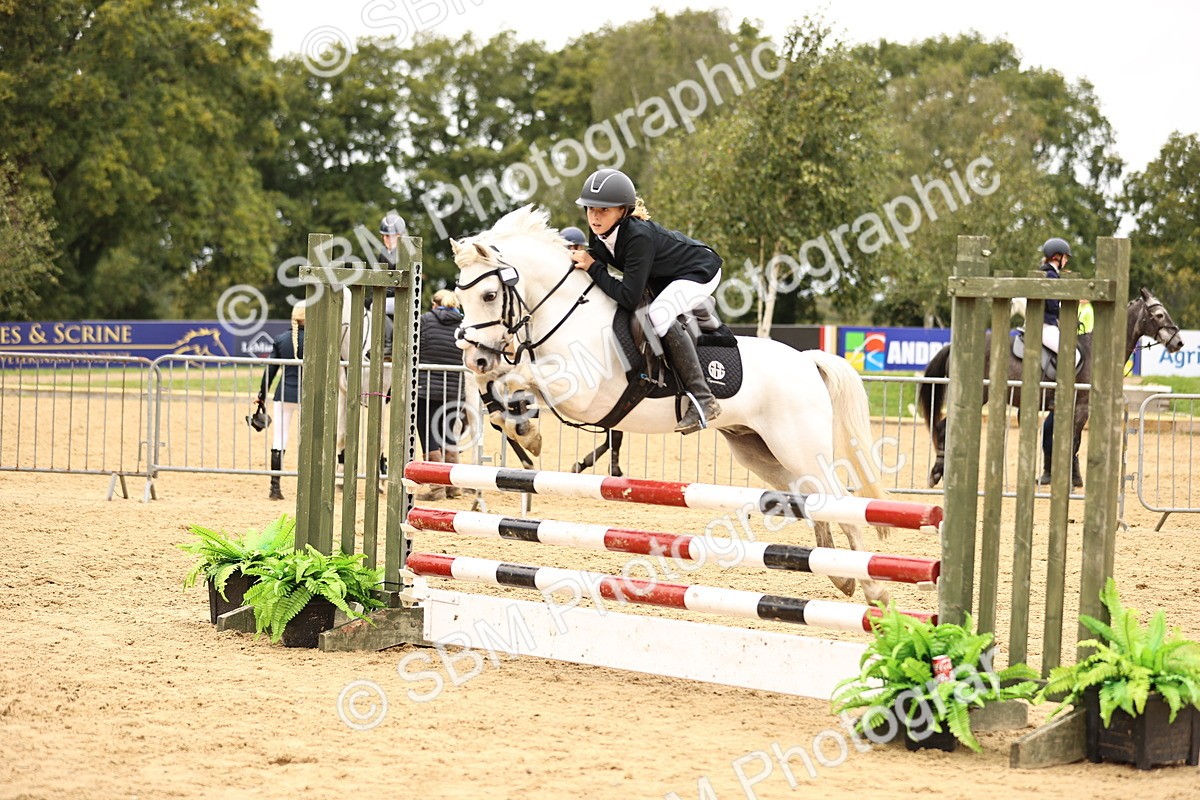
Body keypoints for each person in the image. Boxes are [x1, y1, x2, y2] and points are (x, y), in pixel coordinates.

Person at [568, 168, 722, 434]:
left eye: (604, 210)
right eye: (590, 208)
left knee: (659, 316)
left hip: (699, 270)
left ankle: (704, 399)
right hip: (666, 275)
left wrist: (594, 268)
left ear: (623, 211)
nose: (594, 216)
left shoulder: (637, 236)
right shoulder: (598, 232)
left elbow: (628, 296)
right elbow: (596, 263)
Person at [413, 289, 467, 501]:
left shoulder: (425, 320)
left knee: (429, 436)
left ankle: (436, 489)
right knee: (448, 435)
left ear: (434, 304)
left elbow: (414, 349)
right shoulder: (464, 325)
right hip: (454, 389)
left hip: (426, 389)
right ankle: (454, 486)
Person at [258, 302, 305, 500]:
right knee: (310, 440)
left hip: (284, 394)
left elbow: (271, 370)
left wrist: (261, 395)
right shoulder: (318, 339)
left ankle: (274, 488)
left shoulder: (281, 339)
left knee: (279, 439)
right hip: (308, 395)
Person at [368, 211, 406, 359]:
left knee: (376, 306)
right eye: (386, 236)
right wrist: (373, 296)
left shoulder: (405, 252)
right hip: (388, 296)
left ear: (400, 235)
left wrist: (378, 298)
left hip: (402, 297)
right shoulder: (383, 253)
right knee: (369, 305)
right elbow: (378, 278)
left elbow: (399, 282)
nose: (388, 239)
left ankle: (389, 343)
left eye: (392, 236)